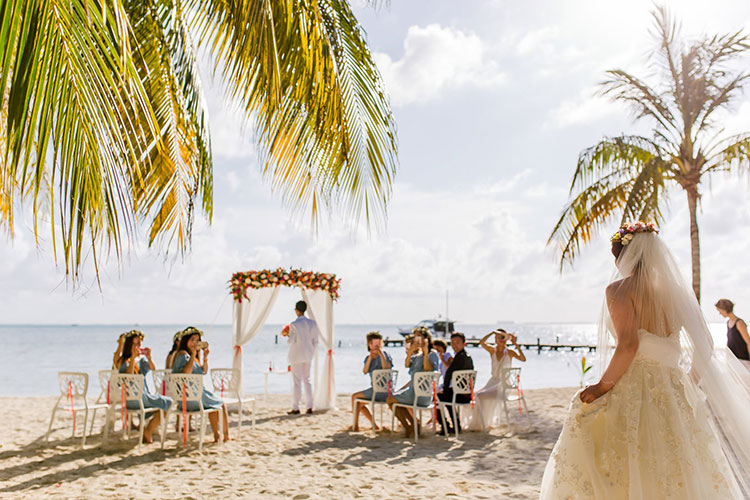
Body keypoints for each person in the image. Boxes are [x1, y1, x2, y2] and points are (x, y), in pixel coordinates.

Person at [540, 222, 750, 499]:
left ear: (622, 257)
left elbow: (629, 344)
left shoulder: (619, 290)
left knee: (602, 444)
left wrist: (602, 387)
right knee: (678, 466)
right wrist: (689, 382)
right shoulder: (675, 292)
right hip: (673, 391)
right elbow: (707, 344)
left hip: (634, 388)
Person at [173, 327, 230, 442]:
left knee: (213, 405)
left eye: (197, 340)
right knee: (221, 404)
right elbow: (185, 373)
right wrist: (194, 355)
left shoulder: (188, 356)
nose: (195, 342)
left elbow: (203, 371)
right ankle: (226, 435)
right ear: (186, 340)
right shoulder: (184, 355)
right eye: (192, 339)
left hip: (187, 398)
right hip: (191, 398)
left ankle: (217, 436)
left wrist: (205, 357)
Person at [115, 330, 173, 443]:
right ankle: (148, 431)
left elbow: (153, 369)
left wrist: (149, 358)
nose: (137, 347)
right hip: (135, 398)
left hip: (141, 397)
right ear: (129, 345)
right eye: (135, 344)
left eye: (139, 344)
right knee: (169, 402)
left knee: (165, 403)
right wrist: (132, 357)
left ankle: (148, 429)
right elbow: (129, 376)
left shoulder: (141, 360)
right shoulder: (122, 361)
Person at [466, 328, 526, 430]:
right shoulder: (492, 350)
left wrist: (515, 344)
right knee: (476, 395)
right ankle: (481, 423)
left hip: (503, 385)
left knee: (480, 396)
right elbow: (481, 342)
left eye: (502, 337)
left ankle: (483, 424)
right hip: (492, 382)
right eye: (498, 337)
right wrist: (492, 332)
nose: (500, 339)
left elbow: (523, 359)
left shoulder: (509, 352)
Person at [387, 327, 439, 438]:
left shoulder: (432, 354)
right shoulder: (416, 356)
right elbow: (406, 365)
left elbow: (428, 369)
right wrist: (411, 351)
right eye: (415, 336)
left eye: (419, 336)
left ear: (426, 338)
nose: (417, 339)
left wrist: (425, 352)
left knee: (391, 400)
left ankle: (411, 426)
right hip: (412, 392)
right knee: (393, 400)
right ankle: (412, 425)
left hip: (422, 394)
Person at [350, 331, 393, 431]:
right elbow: (365, 371)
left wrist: (381, 353)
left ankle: (355, 425)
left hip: (385, 390)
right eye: (374, 344)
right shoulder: (368, 358)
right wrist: (370, 357)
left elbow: (385, 368)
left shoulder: (386, 355)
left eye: (378, 344)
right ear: (369, 344)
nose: (376, 347)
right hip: (375, 390)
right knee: (358, 403)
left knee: (354, 397)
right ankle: (373, 425)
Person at [436, 332, 474, 435]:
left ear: (464, 343)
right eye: (452, 343)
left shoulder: (460, 357)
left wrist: (445, 388)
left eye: (457, 343)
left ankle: (445, 426)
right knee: (446, 396)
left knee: (437, 398)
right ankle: (456, 425)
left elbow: (449, 373)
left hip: (460, 395)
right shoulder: (467, 357)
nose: (454, 345)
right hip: (467, 394)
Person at [286, 300, 320, 415]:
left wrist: (286, 335)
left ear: (297, 310)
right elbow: (316, 341)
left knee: (297, 382)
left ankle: (296, 407)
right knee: (307, 380)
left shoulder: (294, 324)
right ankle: (310, 406)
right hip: (308, 355)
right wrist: (312, 353)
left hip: (296, 355)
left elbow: (291, 341)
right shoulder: (313, 323)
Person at [715, 298, 750, 370]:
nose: (720, 313)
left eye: (720, 310)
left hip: (743, 360)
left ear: (724, 309)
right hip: (733, 359)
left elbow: (748, 342)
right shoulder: (728, 322)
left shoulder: (739, 323)